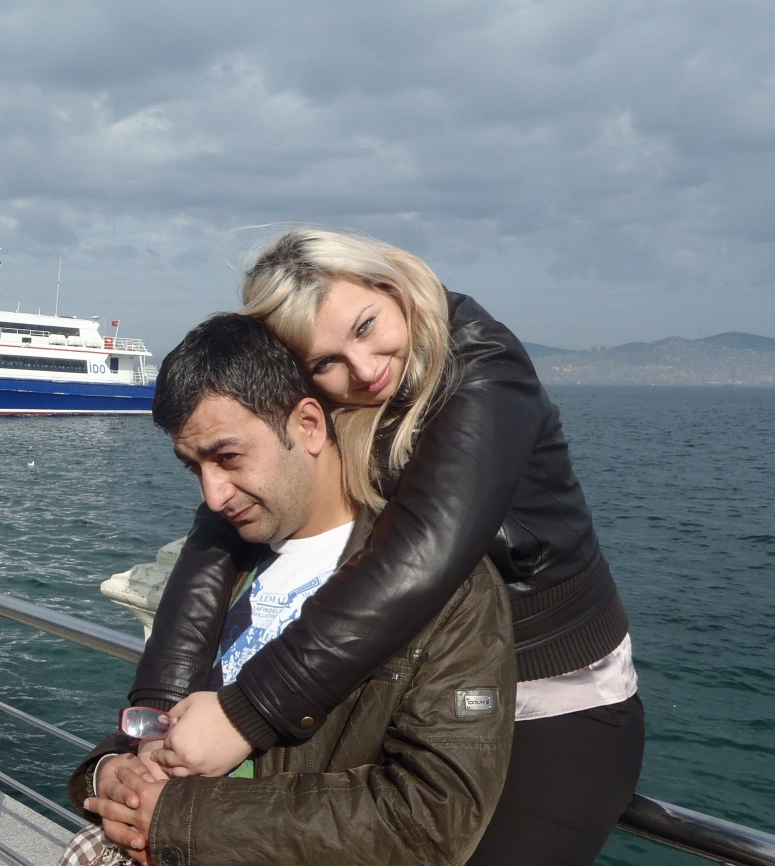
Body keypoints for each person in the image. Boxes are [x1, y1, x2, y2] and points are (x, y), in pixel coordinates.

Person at [132, 230, 645, 866]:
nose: (365, 367)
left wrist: (247, 713)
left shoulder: (483, 365)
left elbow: (423, 555)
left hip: (554, 693)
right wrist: (157, 712)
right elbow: (217, 536)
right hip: (434, 686)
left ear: (390, 284)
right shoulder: (331, 389)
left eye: (367, 326)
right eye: (326, 361)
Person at [64, 313, 516, 866]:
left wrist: (180, 817)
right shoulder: (228, 562)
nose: (213, 495)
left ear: (308, 425)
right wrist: (110, 771)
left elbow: (431, 820)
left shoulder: (453, 594)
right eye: (194, 468)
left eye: (229, 457)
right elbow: (167, 716)